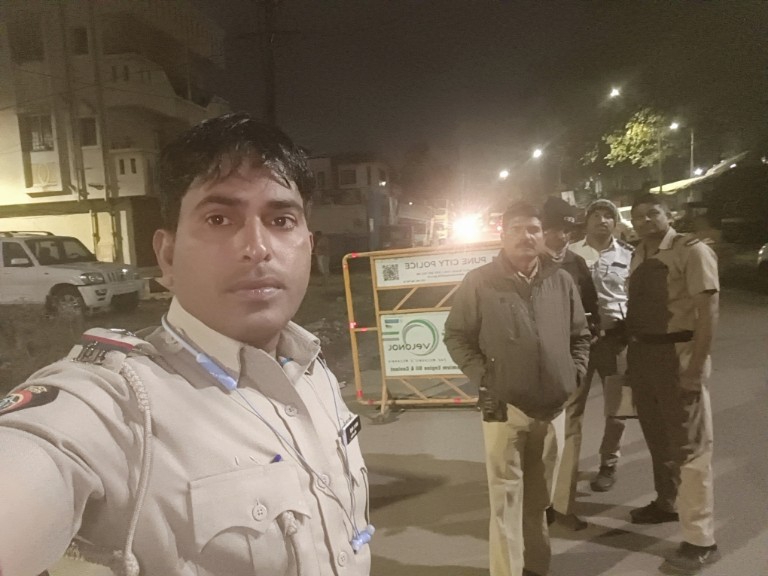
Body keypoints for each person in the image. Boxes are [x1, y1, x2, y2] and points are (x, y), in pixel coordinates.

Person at [0, 113, 372, 576]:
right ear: (168, 256)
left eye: (281, 219)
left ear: (309, 246)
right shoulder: (120, 407)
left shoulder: (312, 370)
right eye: (219, 218)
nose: (257, 247)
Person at [444, 200, 591, 576]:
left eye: (533, 230)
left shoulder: (561, 280)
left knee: (539, 501)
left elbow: (580, 336)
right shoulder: (480, 281)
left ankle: (536, 568)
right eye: (517, 229)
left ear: (543, 235)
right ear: (502, 234)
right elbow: (456, 335)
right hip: (504, 408)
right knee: (506, 502)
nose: (526, 236)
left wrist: (573, 375)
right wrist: (485, 378)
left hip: (553, 409)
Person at [626, 193, 720, 574]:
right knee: (658, 438)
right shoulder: (638, 253)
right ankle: (667, 502)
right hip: (644, 356)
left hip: (677, 354)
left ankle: (701, 539)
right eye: (639, 216)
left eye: (654, 213)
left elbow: (708, 311)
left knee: (691, 447)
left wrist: (695, 368)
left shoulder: (691, 250)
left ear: (669, 215)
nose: (646, 220)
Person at [539, 197, 599, 532]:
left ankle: (563, 504)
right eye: (556, 230)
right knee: (538, 432)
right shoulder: (526, 262)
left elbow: (591, 310)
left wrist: (584, 351)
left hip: (572, 362)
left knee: (571, 430)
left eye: (567, 230)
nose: (563, 236)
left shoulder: (577, 263)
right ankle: (538, 503)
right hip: (535, 364)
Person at [568, 199, 633, 494]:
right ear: (587, 220)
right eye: (597, 214)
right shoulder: (570, 254)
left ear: (616, 223)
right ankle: (566, 466)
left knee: (618, 409)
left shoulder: (629, 255)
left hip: (614, 341)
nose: (602, 220)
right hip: (578, 343)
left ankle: (609, 463)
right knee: (571, 407)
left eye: (609, 216)